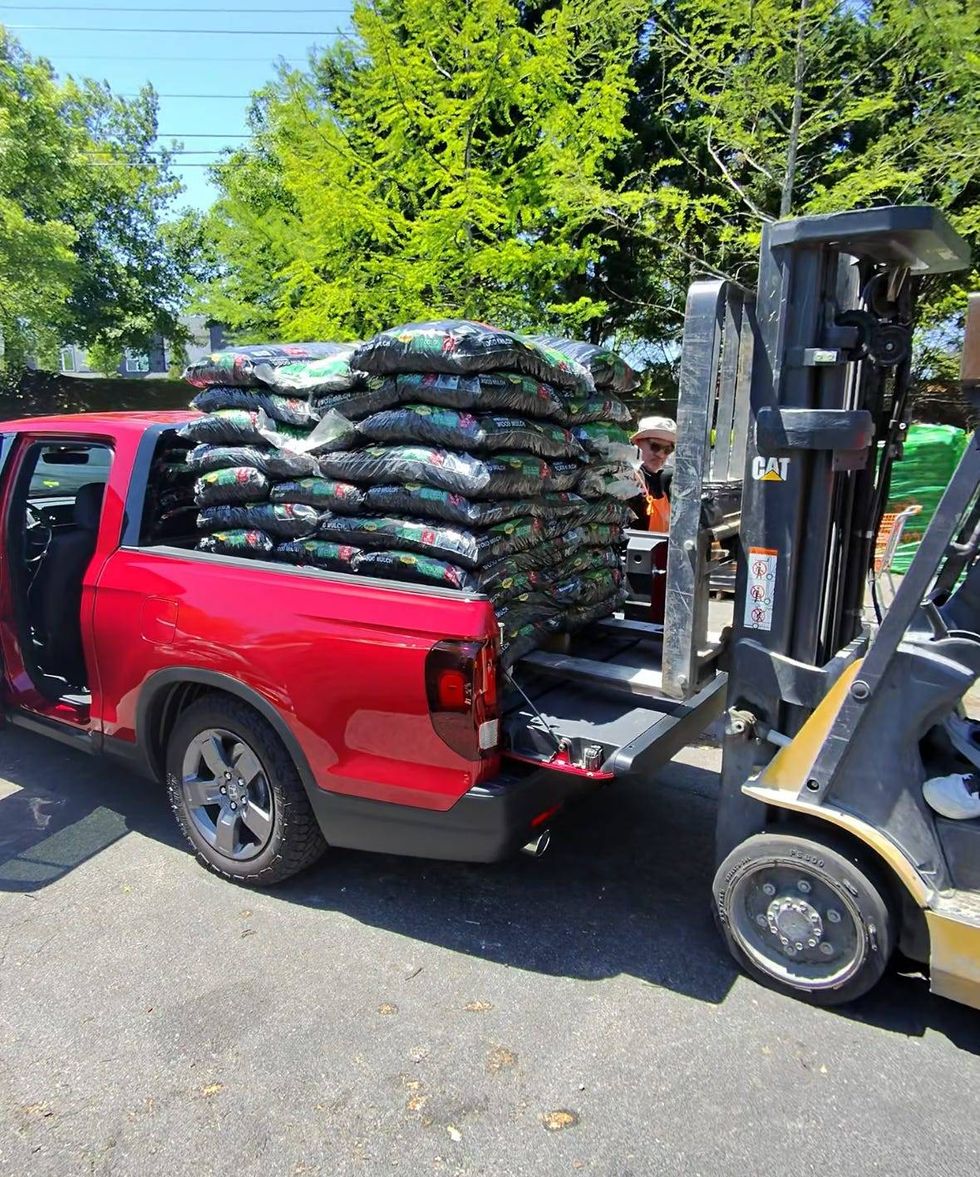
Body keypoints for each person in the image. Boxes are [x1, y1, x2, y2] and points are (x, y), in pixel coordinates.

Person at [627, 415, 677, 531]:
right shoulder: (626, 477)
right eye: (655, 446)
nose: (661, 455)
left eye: (667, 450)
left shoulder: (666, 480)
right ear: (638, 443)